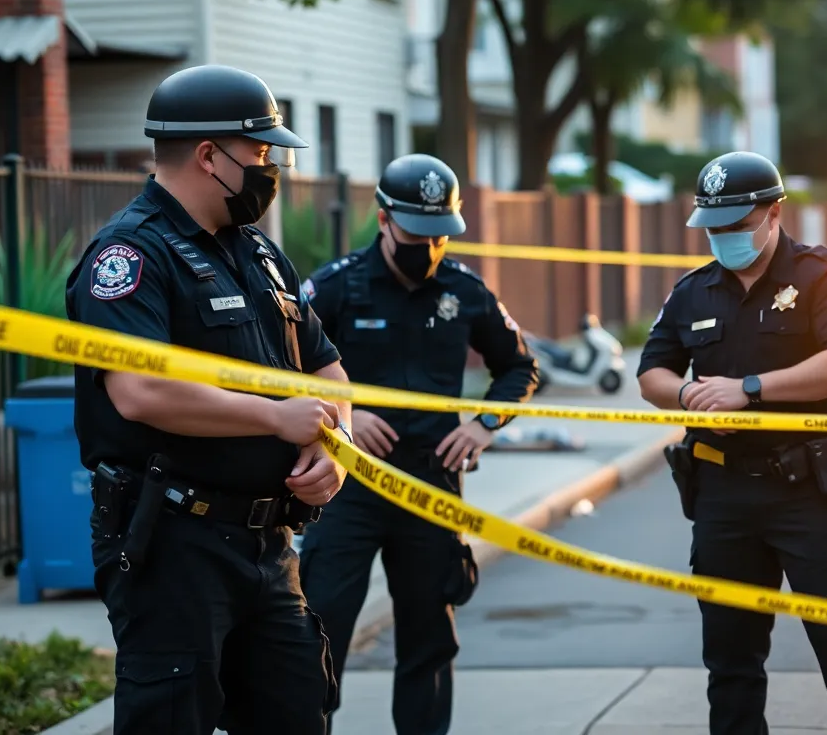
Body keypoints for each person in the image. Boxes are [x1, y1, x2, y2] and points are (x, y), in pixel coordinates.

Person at [65, 64, 354, 735]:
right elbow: (139, 391)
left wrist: (330, 444)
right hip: (173, 542)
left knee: (298, 713)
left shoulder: (259, 254)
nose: (270, 167)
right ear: (208, 155)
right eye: (260, 152)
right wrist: (275, 416)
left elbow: (330, 369)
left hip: (268, 546)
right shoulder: (131, 256)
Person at [636, 151, 827, 735]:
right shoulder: (694, 291)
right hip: (724, 496)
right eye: (713, 227)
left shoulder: (823, 276)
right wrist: (690, 398)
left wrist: (747, 391)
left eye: (736, 225)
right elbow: (652, 372)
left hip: (811, 494)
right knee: (730, 664)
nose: (723, 237)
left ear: (775, 213)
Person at [297, 153, 539, 735]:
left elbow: (520, 369)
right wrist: (346, 421)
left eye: (440, 236)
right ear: (383, 219)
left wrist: (484, 424)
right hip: (347, 487)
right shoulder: (334, 288)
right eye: (415, 233)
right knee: (315, 635)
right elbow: (282, 370)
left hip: (431, 485)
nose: (428, 249)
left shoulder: (465, 291)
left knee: (430, 638)